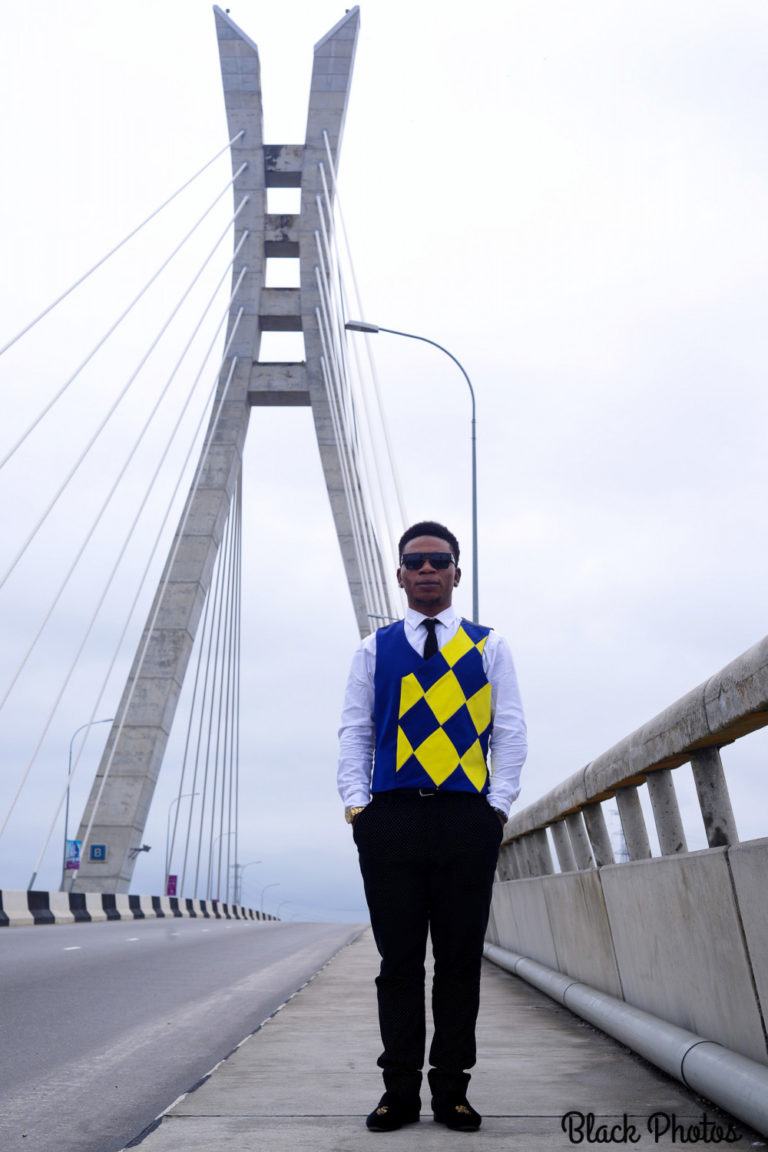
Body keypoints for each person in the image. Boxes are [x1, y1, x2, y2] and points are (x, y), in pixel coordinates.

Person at [337, 520, 527, 1132]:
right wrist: (357, 808)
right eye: (415, 561)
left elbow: (510, 732)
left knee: (459, 963)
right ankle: (398, 1092)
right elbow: (356, 731)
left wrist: (497, 807)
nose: (426, 570)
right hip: (391, 817)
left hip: (465, 818)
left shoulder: (489, 646)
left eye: (438, 561)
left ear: (456, 573)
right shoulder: (373, 649)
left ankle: (452, 1092)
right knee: (398, 965)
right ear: (399, 574)